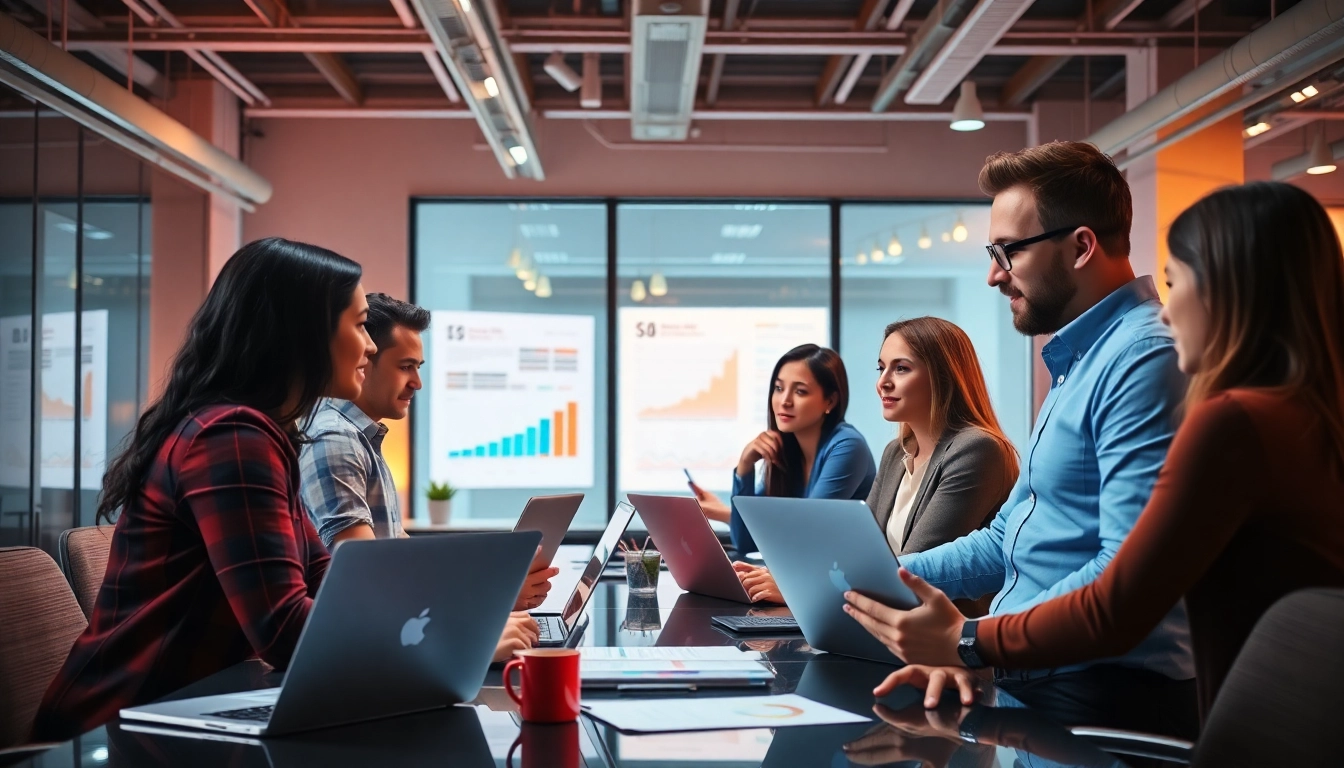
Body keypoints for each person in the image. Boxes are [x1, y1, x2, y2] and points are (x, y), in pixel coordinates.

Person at [848, 181, 1344, 723]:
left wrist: (967, 641)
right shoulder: (1300, 415)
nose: (1168, 312)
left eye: (1177, 282)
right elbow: (1012, 540)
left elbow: (1118, 603)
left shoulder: (1220, 411)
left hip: (1133, 704)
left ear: (1233, 293)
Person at [844, 141, 1198, 739]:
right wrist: (881, 578)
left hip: (1101, 698)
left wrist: (969, 641)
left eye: (1007, 251)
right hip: (1033, 678)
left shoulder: (1142, 360)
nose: (992, 274)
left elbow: (1125, 575)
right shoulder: (1075, 363)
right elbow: (1007, 538)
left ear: (1081, 246)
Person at [31, 238, 375, 741]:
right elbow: (284, 631)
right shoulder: (232, 437)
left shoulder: (259, 433)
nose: (370, 344)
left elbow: (332, 581)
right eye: (361, 322)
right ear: (304, 330)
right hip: (115, 734)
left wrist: (430, 630)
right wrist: (439, 643)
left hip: (185, 712)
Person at [297, 293, 547, 662]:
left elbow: (402, 560)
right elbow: (369, 578)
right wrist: (473, 630)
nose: (418, 383)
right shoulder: (335, 440)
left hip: (383, 643)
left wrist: (493, 590)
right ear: (366, 361)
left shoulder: (360, 438)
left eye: (419, 367)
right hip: (366, 655)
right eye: (405, 366)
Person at [735, 318, 1019, 614]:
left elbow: (915, 567)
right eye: (881, 368)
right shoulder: (895, 453)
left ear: (943, 377)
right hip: (877, 618)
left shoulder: (977, 450)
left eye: (901, 368)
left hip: (937, 638)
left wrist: (800, 586)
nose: (883, 381)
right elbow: (859, 546)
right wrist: (795, 581)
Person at [692, 344, 876, 556]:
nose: (784, 401)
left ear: (830, 401)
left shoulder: (847, 446)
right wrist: (745, 467)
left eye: (800, 391)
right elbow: (745, 543)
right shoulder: (788, 450)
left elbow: (804, 534)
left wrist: (728, 513)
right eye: (779, 388)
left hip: (843, 579)